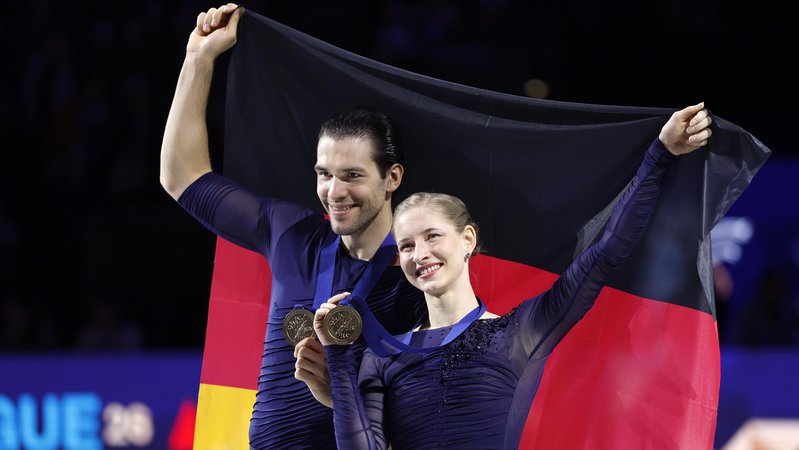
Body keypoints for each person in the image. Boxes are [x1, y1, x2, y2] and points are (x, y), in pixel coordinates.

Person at [314, 103, 713, 449]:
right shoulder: (382, 357)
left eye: (432, 236)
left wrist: (659, 155)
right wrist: (338, 353)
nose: (421, 254)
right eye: (406, 246)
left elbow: (605, 255)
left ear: (467, 239)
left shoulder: (518, 332)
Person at [159, 4, 426, 448]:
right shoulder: (293, 234)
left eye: (353, 176)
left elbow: (425, 425)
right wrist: (199, 60)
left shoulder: (419, 276)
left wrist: (333, 396)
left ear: (392, 178)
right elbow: (182, 178)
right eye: (324, 174)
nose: (335, 191)